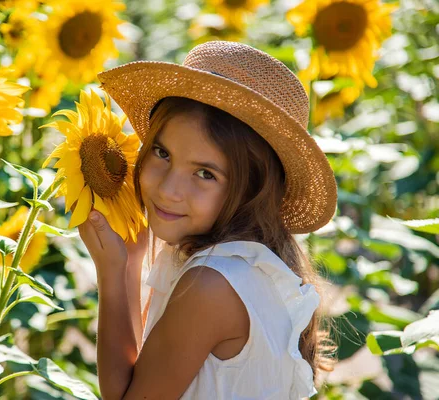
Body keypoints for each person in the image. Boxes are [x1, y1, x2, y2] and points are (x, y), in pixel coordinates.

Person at [77, 41, 338, 399]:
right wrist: (133, 259)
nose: (169, 189)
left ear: (252, 190)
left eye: (205, 173)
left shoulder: (211, 284)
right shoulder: (251, 265)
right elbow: (149, 377)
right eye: (162, 152)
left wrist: (111, 272)